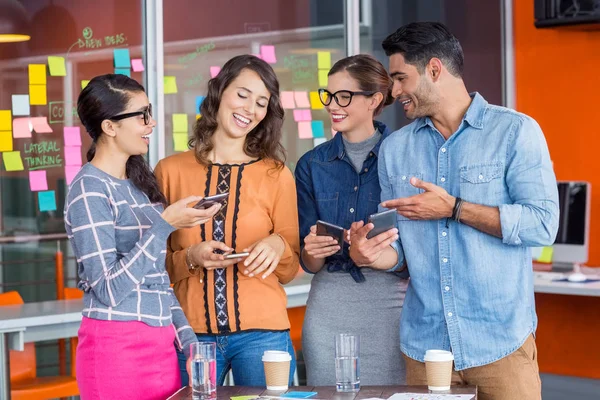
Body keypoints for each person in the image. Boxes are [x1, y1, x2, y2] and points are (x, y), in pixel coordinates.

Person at [351, 22, 559, 400]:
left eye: (400, 78)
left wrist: (454, 208)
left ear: (434, 69)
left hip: (501, 346)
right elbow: (402, 252)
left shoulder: (515, 132)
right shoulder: (395, 150)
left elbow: (543, 226)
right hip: (425, 349)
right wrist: (375, 256)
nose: (394, 92)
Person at [64, 74, 218, 400]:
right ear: (110, 127)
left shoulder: (138, 187)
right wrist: (163, 226)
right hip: (114, 349)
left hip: (161, 346)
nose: (151, 124)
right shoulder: (88, 189)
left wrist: (189, 343)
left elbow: (156, 280)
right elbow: (107, 288)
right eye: (142, 115)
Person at [155, 54, 300, 387]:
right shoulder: (169, 172)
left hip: (263, 335)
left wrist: (277, 245)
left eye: (262, 102)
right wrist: (191, 258)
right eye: (242, 94)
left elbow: (289, 270)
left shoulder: (276, 175)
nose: (250, 108)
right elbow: (150, 266)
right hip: (190, 335)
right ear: (219, 93)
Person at [295, 54, 408, 386]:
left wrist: (374, 254)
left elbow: (418, 250)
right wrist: (314, 250)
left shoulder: (403, 156)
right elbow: (310, 262)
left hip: (391, 313)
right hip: (327, 313)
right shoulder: (311, 165)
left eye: (344, 96)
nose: (332, 104)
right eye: (328, 95)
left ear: (374, 100)